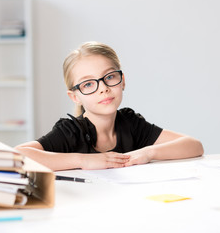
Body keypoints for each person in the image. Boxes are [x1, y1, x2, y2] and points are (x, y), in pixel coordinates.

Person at [15, 41, 204, 171]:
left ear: (122, 81)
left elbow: (194, 145)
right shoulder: (71, 131)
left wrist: (149, 152)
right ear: (75, 97)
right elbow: (17, 155)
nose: (103, 89)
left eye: (109, 77)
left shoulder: (130, 123)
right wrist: (83, 160)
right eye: (88, 84)